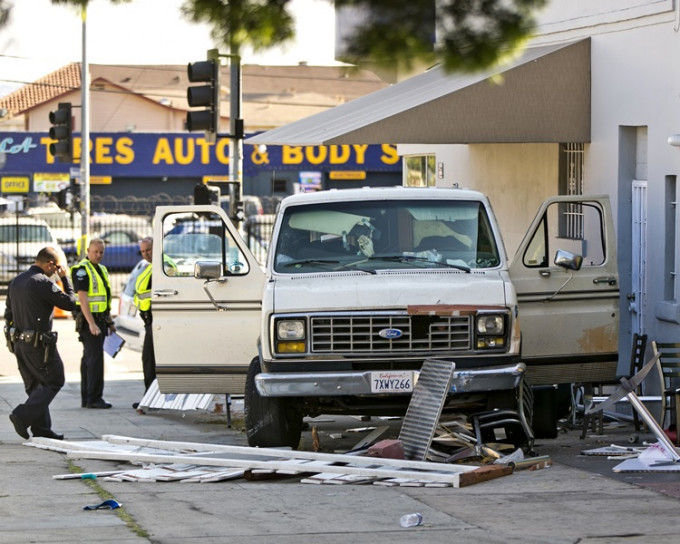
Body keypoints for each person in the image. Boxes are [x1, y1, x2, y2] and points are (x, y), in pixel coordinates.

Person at [4, 247, 77, 440]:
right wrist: (65, 279)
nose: (56, 271)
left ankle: (42, 430)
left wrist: (11, 339)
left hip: (19, 343)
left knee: (35, 386)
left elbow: (8, 314)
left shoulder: (16, 281)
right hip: (39, 345)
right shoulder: (43, 282)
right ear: (50, 264)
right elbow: (70, 302)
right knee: (54, 380)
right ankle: (21, 415)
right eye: (57, 268)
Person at [72, 238, 115, 409]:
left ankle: (88, 398)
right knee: (94, 360)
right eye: (95, 251)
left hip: (100, 319)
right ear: (88, 251)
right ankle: (94, 398)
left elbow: (104, 298)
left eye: (101, 252)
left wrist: (109, 321)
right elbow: (83, 299)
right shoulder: (82, 270)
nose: (98, 255)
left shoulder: (101, 269)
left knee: (89, 359)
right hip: (90, 320)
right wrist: (91, 323)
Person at [133, 236, 154, 408]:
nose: (145, 254)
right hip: (149, 320)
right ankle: (150, 397)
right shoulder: (150, 267)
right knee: (149, 360)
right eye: (143, 251)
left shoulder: (163, 266)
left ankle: (150, 398)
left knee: (150, 360)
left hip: (156, 320)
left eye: (148, 250)